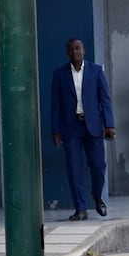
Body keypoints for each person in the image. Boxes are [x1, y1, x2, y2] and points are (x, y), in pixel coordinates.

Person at [50, 38, 116, 220]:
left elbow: (105, 99)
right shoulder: (60, 74)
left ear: (84, 50)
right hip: (71, 128)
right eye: (71, 49)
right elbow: (55, 105)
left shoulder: (96, 71)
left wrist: (109, 125)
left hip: (93, 127)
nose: (75, 52)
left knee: (98, 166)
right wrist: (55, 130)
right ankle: (80, 208)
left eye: (78, 48)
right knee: (74, 168)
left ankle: (96, 195)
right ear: (67, 52)